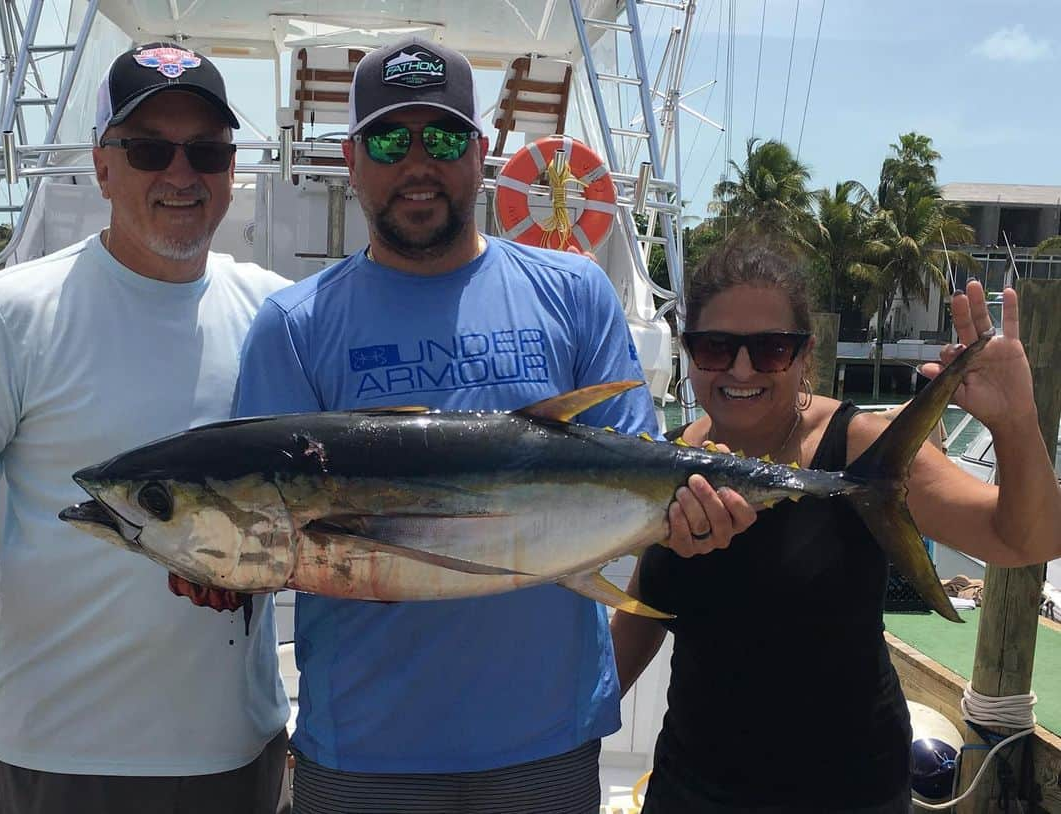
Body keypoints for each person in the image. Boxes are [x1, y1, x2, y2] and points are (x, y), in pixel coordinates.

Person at [227, 34, 724, 814]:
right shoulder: (292, 325)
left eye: (444, 137)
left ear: (481, 152)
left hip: (546, 744)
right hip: (363, 752)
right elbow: (263, 525)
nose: (417, 163)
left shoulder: (577, 293)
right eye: (391, 139)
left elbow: (640, 477)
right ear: (352, 159)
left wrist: (688, 517)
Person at [612, 232, 1061, 812]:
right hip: (692, 786)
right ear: (689, 352)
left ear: (804, 354)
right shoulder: (669, 459)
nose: (742, 367)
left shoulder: (861, 450)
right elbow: (644, 610)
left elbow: (1023, 540)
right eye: (716, 346)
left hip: (848, 792)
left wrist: (1017, 420)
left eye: (771, 348)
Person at [0, 43, 291, 814]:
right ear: (102, 165)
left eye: (209, 151)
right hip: (53, 754)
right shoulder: (12, 313)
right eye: (150, 148)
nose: (181, 175)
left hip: (237, 752)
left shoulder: (277, 316)